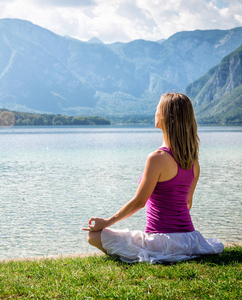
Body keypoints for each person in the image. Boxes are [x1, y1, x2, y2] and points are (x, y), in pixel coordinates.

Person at [82, 93, 223, 264]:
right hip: (190, 240)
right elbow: (187, 203)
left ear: (166, 116)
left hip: (160, 241)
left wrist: (107, 222)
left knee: (93, 236)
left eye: (157, 109)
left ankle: (148, 252)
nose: (155, 112)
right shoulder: (193, 161)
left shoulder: (157, 158)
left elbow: (139, 202)